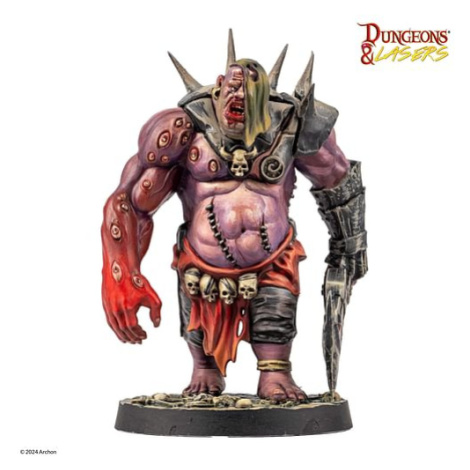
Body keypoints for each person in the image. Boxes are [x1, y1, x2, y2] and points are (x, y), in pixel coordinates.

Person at [101, 32, 367, 403]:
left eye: (249, 91)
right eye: (233, 87)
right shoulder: (183, 132)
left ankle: (275, 373)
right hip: (201, 262)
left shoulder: (290, 127)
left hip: (272, 259)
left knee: (276, 314)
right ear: (219, 86)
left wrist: (349, 246)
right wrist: (122, 275)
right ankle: (203, 367)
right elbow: (130, 202)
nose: (238, 96)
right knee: (198, 325)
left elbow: (337, 179)